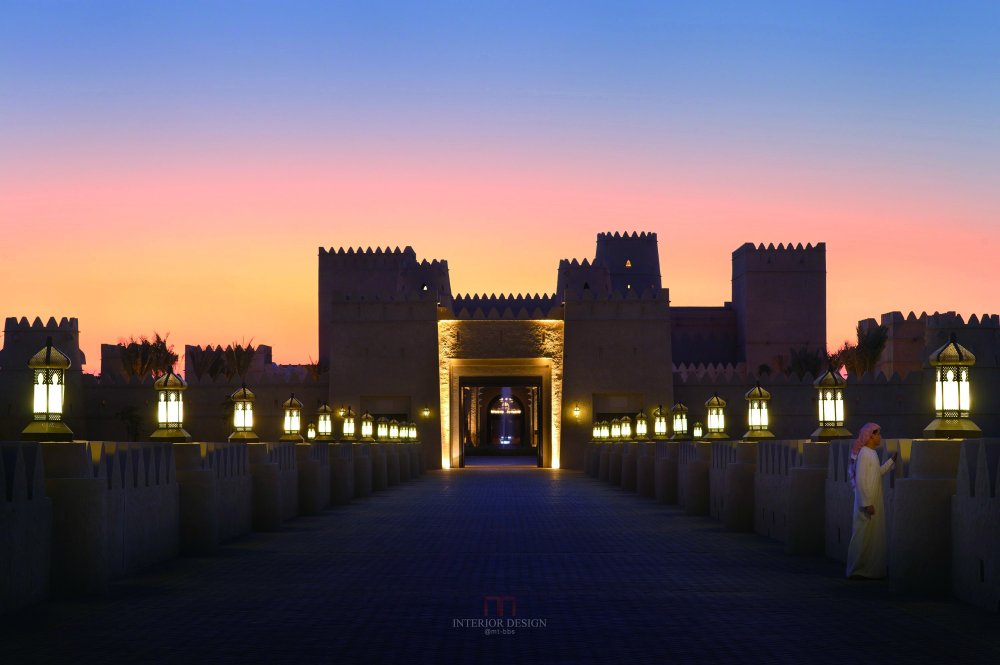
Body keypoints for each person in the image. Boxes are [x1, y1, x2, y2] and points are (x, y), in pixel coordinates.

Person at [845, 422, 897, 579]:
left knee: (872, 537)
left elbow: (877, 472)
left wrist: (891, 462)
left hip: (873, 501)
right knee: (862, 537)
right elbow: (861, 480)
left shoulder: (871, 453)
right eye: (878, 434)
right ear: (870, 436)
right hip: (866, 505)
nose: (880, 437)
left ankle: (869, 570)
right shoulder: (865, 454)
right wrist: (867, 504)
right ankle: (856, 570)